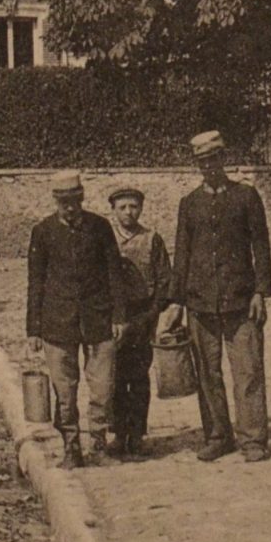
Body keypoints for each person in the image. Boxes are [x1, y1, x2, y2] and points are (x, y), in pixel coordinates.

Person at [165, 130, 271, 462]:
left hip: (241, 300)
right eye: (202, 162)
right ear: (196, 165)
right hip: (200, 303)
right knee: (207, 373)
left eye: (213, 159)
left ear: (223, 159)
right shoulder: (190, 203)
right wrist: (176, 301)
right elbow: (181, 254)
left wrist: (260, 291)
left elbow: (261, 247)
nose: (208, 167)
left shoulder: (246, 196)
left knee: (248, 371)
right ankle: (217, 435)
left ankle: (253, 439)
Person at [27, 171, 128, 469]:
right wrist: (33, 328)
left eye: (74, 201)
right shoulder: (43, 231)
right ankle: (71, 447)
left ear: (82, 197)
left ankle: (98, 445)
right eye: (63, 202)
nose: (69, 207)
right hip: (57, 322)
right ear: (55, 201)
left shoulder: (100, 227)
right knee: (65, 391)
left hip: (98, 320)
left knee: (101, 388)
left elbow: (114, 275)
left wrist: (119, 316)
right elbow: (36, 282)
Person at [105, 185, 170, 458]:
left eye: (133, 206)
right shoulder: (106, 239)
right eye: (123, 207)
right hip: (114, 317)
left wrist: (153, 313)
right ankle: (119, 433)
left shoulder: (152, 239)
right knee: (115, 375)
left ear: (141, 208)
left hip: (143, 316)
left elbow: (165, 280)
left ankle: (138, 435)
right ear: (114, 210)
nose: (128, 212)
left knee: (139, 376)